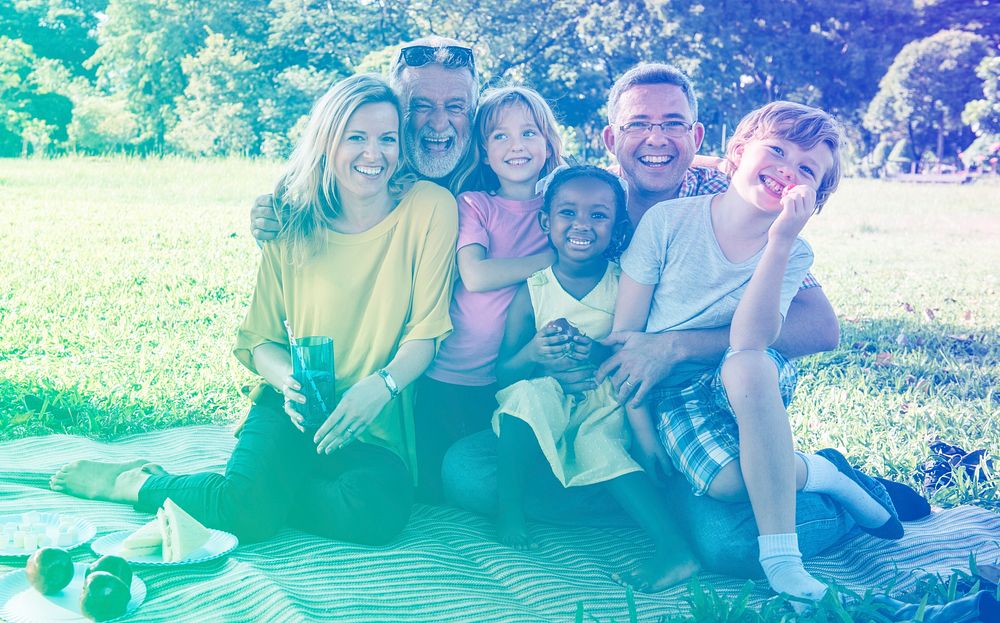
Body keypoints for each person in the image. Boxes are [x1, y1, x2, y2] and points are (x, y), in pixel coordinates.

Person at [441, 63, 922, 580]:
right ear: (610, 138)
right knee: (469, 473)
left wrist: (676, 345)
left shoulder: (731, 196)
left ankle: (823, 489)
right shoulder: (584, 198)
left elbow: (820, 328)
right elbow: (541, 290)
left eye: (672, 124)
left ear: (695, 136)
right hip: (602, 409)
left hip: (693, 405)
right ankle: (658, 506)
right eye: (637, 125)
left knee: (732, 546)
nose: (656, 139)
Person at [49, 74, 458, 546]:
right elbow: (260, 339)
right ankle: (137, 483)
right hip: (295, 408)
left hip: (370, 421)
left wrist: (381, 386)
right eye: (356, 138)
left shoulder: (429, 208)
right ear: (327, 143)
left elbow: (426, 333)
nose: (374, 154)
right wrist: (287, 381)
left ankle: (251, 492)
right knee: (247, 518)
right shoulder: (291, 220)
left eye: (387, 139)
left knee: (375, 513)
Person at [614, 101, 902, 601]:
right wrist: (639, 426)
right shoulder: (668, 222)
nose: (788, 168)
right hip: (674, 393)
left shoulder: (793, 250)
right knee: (726, 483)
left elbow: (752, 340)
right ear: (738, 151)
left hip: (748, 377)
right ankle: (825, 473)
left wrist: (780, 243)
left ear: (815, 197)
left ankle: (783, 559)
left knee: (745, 363)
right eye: (777, 149)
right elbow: (627, 341)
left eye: (806, 169)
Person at [493, 166, 699, 592]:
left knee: (596, 444)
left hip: (606, 398)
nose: (581, 225)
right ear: (545, 221)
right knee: (523, 398)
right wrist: (534, 352)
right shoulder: (532, 289)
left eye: (598, 215)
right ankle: (508, 506)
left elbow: (634, 349)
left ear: (618, 227)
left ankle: (674, 548)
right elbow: (503, 373)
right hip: (552, 396)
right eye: (567, 212)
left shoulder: (625, 283)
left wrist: (599, 350)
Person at [414, 86, 565, 500]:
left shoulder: (561, 209)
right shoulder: (475, 204)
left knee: (491, 473)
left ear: (549, 145)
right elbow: (476, 275)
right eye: (501, 136)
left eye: (529, 133)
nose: (516, 146)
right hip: (447, 374)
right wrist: (556, 257)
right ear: (483, 152)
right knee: (431, 489)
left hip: (513, 378)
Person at [250, 36, 478, 242]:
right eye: (421, 106)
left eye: (455, 107)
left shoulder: (500, 169)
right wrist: (270, 221)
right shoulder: (361, 172)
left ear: (474, 110)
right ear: (395, 110)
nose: (439, 123)